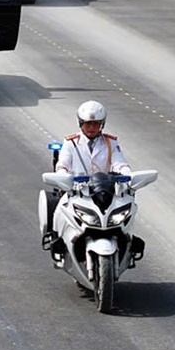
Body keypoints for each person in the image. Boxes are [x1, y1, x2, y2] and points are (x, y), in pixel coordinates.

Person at [42, 100, 132, 249]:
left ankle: (128, 244)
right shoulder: (71, 142)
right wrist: (63, 177)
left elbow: (119, 162)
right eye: (88, 124)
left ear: (101, 124)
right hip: (77, 191)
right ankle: (57, 242)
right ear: (80, 123)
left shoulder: (110, 142)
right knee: (60, 210)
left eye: (96, 124)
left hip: (105, 191)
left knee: (126, 213)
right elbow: (62, 164)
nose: (91, 128)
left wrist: (127, 174)